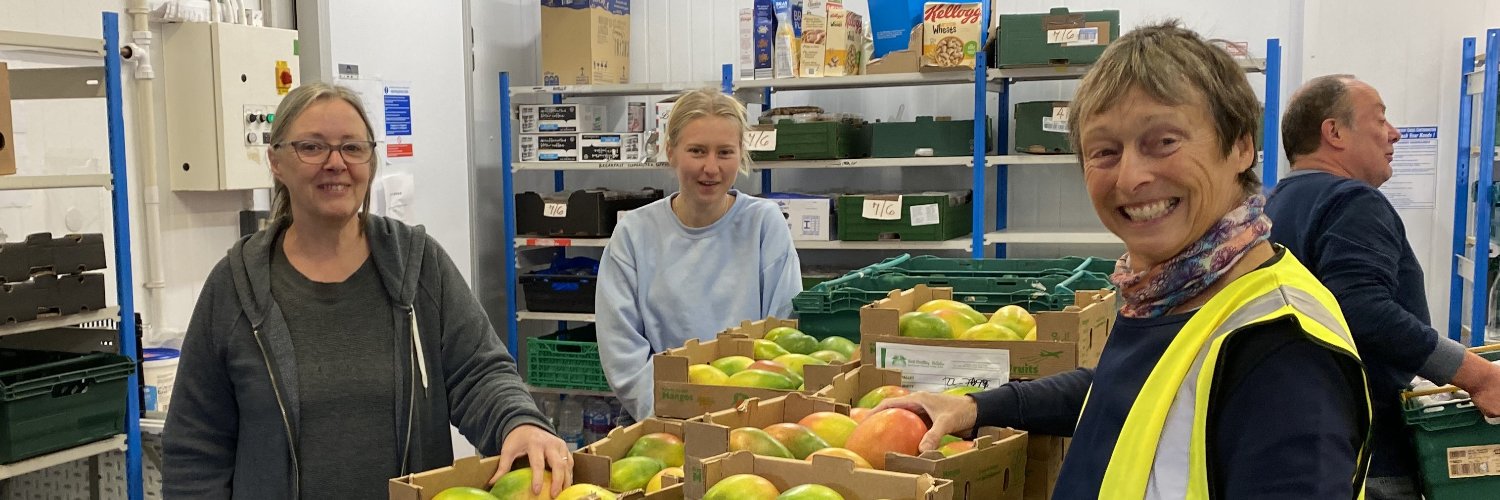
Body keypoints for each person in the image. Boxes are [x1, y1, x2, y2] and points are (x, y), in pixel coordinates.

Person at [877, 22, 1374, 498]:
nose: (1130, 177)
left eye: (1163, 142)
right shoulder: (1167, 293)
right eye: (1105, 151)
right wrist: (976, 405)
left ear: (1241, 146)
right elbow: (1126, 392)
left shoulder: (1279, 352)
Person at [162, 83, 569, 498]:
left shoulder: (419, 264)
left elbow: (479, 372)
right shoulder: (235, 286)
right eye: (312, 147)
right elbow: (196, 447)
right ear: (276, 161)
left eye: (352, 148)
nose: (335, 163)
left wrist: (519, 422)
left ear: (370, 162)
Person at [1266, 74, 1500, 498]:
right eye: (1380, 119)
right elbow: (1361, 308)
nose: (1393, 134)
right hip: (1367, 458)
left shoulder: (1275, 205)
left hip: (1306, 443)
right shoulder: (1351, 201)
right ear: (1333, 131)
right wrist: (1479, 376)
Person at [596, 88, 802, 420]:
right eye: (696, 151)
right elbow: (623, 353)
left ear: (741, 154)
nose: (711, 167)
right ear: (671, 152)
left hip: (751, 415)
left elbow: (784, 334)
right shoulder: (633, 235)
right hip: (662, 414)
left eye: (724, 152)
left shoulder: (764, 225)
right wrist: (674, 413)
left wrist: (745, 415)